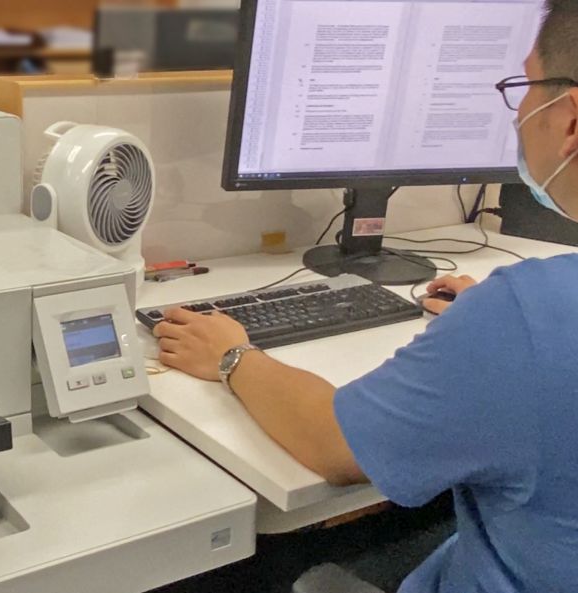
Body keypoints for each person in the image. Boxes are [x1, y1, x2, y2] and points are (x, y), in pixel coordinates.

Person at [152, 2, 578, 592]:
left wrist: (232, 356)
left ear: (570, 119)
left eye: (524, 87)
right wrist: (498, 321)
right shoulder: (537, 309)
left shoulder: (529, 317)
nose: (518, 109)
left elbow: (337, 449)